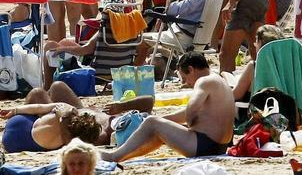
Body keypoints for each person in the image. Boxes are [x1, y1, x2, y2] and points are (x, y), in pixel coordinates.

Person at [100, 52, 234, 161]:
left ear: (191, 70)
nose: (186, 83)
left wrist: (190, 125)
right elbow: (189, 113)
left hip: (203, 145)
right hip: (220, 146)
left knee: (152, 122)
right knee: (155, 123)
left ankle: (115, 156)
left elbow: (191, 110)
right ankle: (124, 155)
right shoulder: (218, 80)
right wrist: (164, 119)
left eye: (184, 78)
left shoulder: (203, 81)